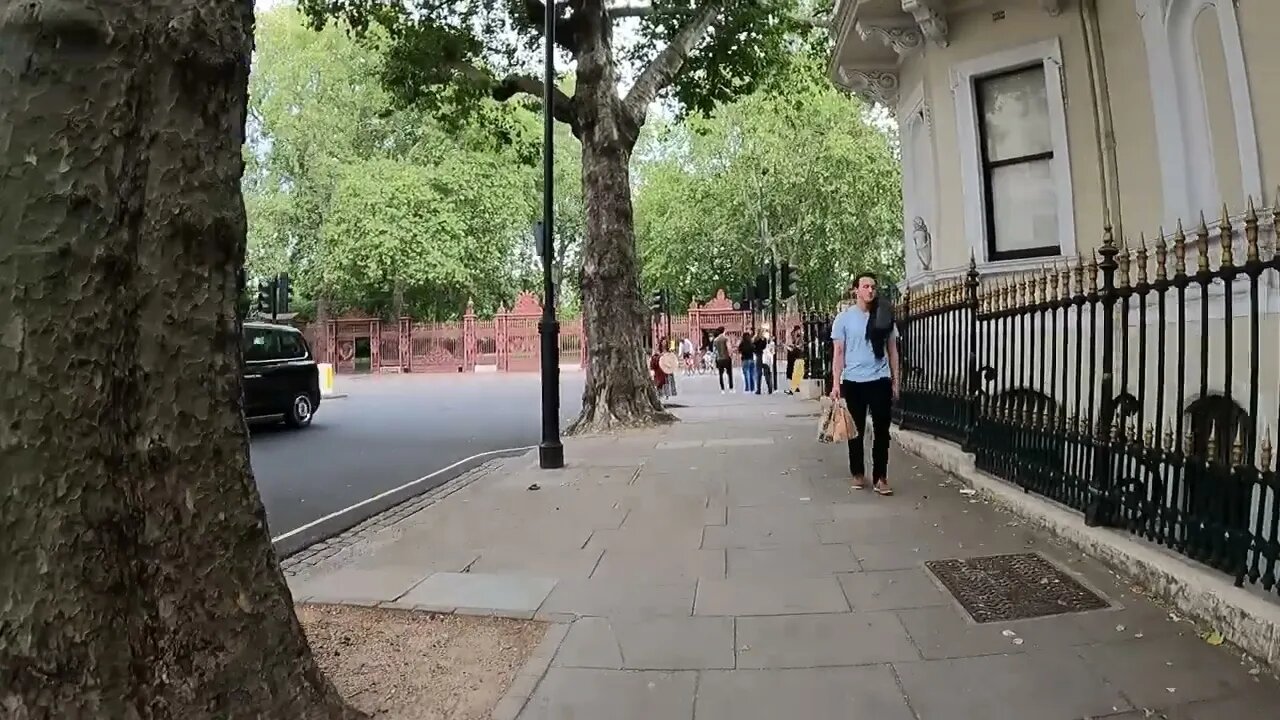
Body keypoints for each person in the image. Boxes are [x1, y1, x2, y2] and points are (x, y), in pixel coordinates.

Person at [830, 272, 900, 495]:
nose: (870, 290)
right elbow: (838, 352)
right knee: (856, 431)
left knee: (882, 431)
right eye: (865, 286)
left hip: (879, 379)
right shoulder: (844, 318)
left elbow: (893, 351)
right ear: (856, 290)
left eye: (873, 287)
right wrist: (835, 383)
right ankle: (858, 472)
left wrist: (896, 380)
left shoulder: (884, 315)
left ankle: (881, 477)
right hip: (854, 382)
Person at [712, 327, 734, 393]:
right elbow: (729, 348)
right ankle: (731, 388)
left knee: (720, 374)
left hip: (719, 359)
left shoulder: (715, 340)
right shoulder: (726, 339)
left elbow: (714, 351)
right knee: (729, 374)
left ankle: (722, 389)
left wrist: (715, 359)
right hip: (726, 358)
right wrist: (731, 355)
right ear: (724, 331)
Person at [784, 325, 803, 395]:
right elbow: (791, 344)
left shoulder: (799, 337)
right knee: (792, 371)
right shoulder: (793, 336)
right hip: (792, 355)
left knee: (796, 372)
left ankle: (794, 388)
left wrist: (795, 346)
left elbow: (799, 345)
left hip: (796, 355)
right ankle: (794, 388)